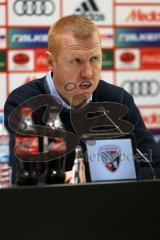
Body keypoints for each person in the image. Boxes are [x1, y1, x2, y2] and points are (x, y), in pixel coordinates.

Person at [4, 15, 160, 183]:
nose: (88, 73)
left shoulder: (118, 100)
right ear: (50, 61)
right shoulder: (25, 103)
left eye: (94, 59)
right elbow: (24, 179)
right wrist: (73, 181)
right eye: (76, 61)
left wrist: (93, 179)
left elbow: (154, 169)